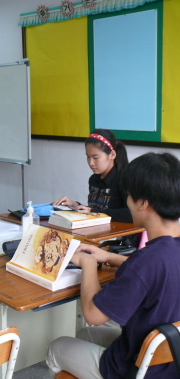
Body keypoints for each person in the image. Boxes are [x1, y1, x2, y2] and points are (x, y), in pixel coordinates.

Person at [46, 152, 180, 378]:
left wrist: (88, 263)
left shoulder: (145, 262)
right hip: (171, 361)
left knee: (57, 347)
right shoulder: (160, 254)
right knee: (86, 335)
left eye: (128, 196)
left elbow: (93, 315)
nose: (127, 202)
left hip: (135, 369)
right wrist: (107, 256)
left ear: (143, 203)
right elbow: (153, 271)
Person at [53, 128, 132, 223]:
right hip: (99, 230)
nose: (91, 163)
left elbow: (131, 214)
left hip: (119, 235)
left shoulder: (124, 179)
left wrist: (93, 212)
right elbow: (96, 209)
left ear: (112, 155)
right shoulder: (94, 179)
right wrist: (75, 205)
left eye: (96, 157)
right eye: (88, 157)